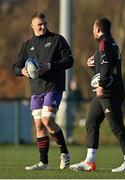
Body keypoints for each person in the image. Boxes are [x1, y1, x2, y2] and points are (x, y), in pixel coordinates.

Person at [70, 18, 125, 172]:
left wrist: (101, 85)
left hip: (109, 92)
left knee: (116, 127)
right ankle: (90, 161)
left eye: (94, 28)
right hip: (108, 90)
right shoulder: (111, 43)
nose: (93, 30)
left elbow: (106, 68)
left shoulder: (103, 43)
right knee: (91, 122)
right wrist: (94, 65)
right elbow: (106, 66)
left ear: (98, 29)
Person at [13, 12, 73, 170]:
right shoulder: (27, 44)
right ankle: (43, 162)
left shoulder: (57, 40)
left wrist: (50, 65)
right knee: (39, 126)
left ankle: (65, 153)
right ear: (32, 26)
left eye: (45, 23)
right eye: (39, 24)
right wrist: (22, 71)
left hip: (53, 87)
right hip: (36, 90)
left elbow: (69, 60)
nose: (43, 26)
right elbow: (16, 67)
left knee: (47, 121)